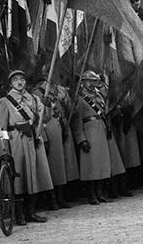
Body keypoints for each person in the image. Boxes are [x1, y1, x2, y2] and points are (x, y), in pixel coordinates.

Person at [0, 70, 53, 224]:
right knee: (19, 179)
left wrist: (47, 107)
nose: (19, 82)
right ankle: (18, 215)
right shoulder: (5, 102)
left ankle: (31, 212)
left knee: (34, 177)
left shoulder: (33, 99)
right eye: (15, 80)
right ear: (10, 83)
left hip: (33, 140)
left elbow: (44, 118)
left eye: (22, 79)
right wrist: (4, 149)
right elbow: (1, 129)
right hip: (16, 142)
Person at [71, 70, 117, 204]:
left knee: (102, 164)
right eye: (88, 81)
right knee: (91, 165)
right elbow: (76, 120)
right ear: (83, 82)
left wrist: (108, 127)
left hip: (101, 129)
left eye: (93, 81)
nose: (91, 84)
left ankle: (100, 192)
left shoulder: (99, 95)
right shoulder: (79, 98)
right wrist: (81, 139)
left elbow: (106, 112)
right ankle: (91, 195)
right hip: (89, 131)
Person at [32, 78, 71, 210]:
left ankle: (60, 197)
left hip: (57, 126)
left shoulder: (55, 91)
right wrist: (43, 135)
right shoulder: (37, 93)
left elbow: (61, 110)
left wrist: (64, 126)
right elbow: (37, 116)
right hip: (45, 128)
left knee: (59, 166)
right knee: (49, 167)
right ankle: (50, 199)